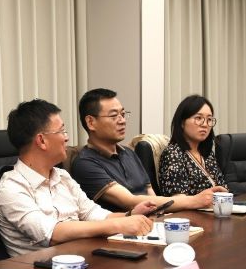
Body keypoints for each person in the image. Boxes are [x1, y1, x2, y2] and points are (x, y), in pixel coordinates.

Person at [0, 98, 158, 256]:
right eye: (61, 131)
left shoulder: (62, 176)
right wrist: (117, 225)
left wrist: (130, 215)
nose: (67, 138)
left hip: (81, 258)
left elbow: (92, 213)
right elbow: (52, 233)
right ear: (42, 140)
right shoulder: (11, 188)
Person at [71, 88, 222, 212]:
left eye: (123, 114)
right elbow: (130, 201)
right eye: (114, 116)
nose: (122, 121)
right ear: (91, 122)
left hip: (151, 224)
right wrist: (194, 201)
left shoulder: (129, 153)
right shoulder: (85, 163)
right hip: (121, 232)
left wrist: (161, 216)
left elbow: (152, 196)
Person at [158, 95, 228, 202]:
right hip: (189, 212)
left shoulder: (208, 154)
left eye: (209, 119)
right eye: (198, 118)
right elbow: (177, 199)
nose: (205, 124)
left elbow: (223, 189)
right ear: (182, 123)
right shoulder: (173, 153)